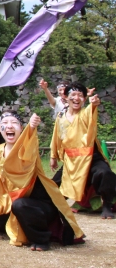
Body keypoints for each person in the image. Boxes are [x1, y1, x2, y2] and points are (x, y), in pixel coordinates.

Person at [0, 112, 85, 250]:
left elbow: (28, 145)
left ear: (21, 128)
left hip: (37, 205)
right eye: (5, 124)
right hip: (12, 200)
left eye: (14, 123)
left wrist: (32, 128)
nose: (9, 126)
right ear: (0, 129)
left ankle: (41, 239)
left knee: (20, 205)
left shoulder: (27, 149)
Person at [50, 82, 116, 219]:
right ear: (66, 97)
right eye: (73, 94)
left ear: (84, 99)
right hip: (71, 160)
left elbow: (92, 110)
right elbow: (56, 137)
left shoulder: (85, 113)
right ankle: (48, 207)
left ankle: (107, 205)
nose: (76, 98)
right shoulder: (61, 117)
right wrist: (53, 156)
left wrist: (94, 103)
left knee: (105, 173)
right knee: (52, 185)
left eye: (80, 95)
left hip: (91, 157)